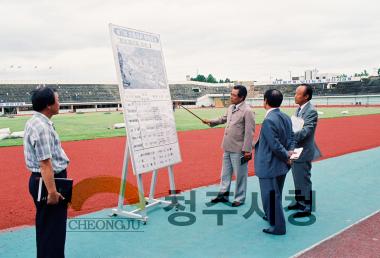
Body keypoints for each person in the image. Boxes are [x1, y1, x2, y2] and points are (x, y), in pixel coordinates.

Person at [23, 86, 70, 258]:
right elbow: (45, 164)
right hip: (49, 182)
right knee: (54, 231)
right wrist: (52, 192)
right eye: (57, 99)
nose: (59, 103)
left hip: (42, 180)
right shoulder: (42, 127)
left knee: (47, 228)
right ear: (49, 105)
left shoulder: (35, 121)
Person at [203, 85, 255, 207]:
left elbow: (249, 132)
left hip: (239, 149)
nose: (231, 97)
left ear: (242, 97)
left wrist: (247, 150)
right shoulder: (231, 107)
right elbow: (223, 119)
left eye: (234, 95)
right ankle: (223, 194)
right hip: (227, 146)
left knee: (240, 174)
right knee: (225, 173)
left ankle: (240, 198)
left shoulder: (247, 111)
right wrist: (210, 121)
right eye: (231, 94)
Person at [254, 89, 294, 235]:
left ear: (265, 101)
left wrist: (287, 157)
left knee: (270, 196)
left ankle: (278, 226)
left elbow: (275, 145)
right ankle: (271, 216)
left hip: (269, 165)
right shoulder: (286, 117)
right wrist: (290, 155)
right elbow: (291, 139)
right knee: (276, 194)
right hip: (281, 166)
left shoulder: (268, 120)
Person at [288, 84, 321, 218]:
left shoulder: (311, 111)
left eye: (298, 94)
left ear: (306, 96)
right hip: (297, 149)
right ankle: (299, 201)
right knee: (297, 177)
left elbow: (306, 132)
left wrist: (288, 135)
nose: (295, 96)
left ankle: (306, 207)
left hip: (304, 150)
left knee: (304, 179)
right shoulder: (299, 109)